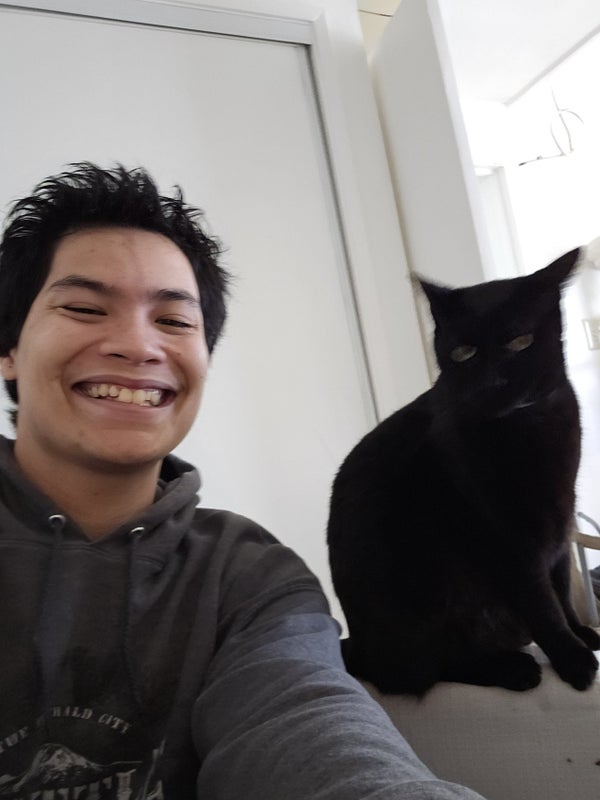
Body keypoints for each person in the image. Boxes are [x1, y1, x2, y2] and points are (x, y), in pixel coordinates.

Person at [0, 163, 487, 799]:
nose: (139, 346)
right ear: (9, 349)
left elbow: (306, 720)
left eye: (175, 322)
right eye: (85, 308)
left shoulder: (248, 574)